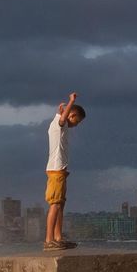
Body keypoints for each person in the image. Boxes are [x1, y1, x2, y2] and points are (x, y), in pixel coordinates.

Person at [44, 92, 86, 250]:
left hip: (60, 171)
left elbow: (61, 116)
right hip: (55, 170)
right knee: (55, 204)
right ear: (72, 114)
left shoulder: (58, 124)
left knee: (60, 205)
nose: (76, 124)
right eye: (77, 120)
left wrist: (61, 109)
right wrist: (71, 101)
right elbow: (62, 119)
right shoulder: (59, 124)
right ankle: (49, 240)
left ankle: (58, 237)